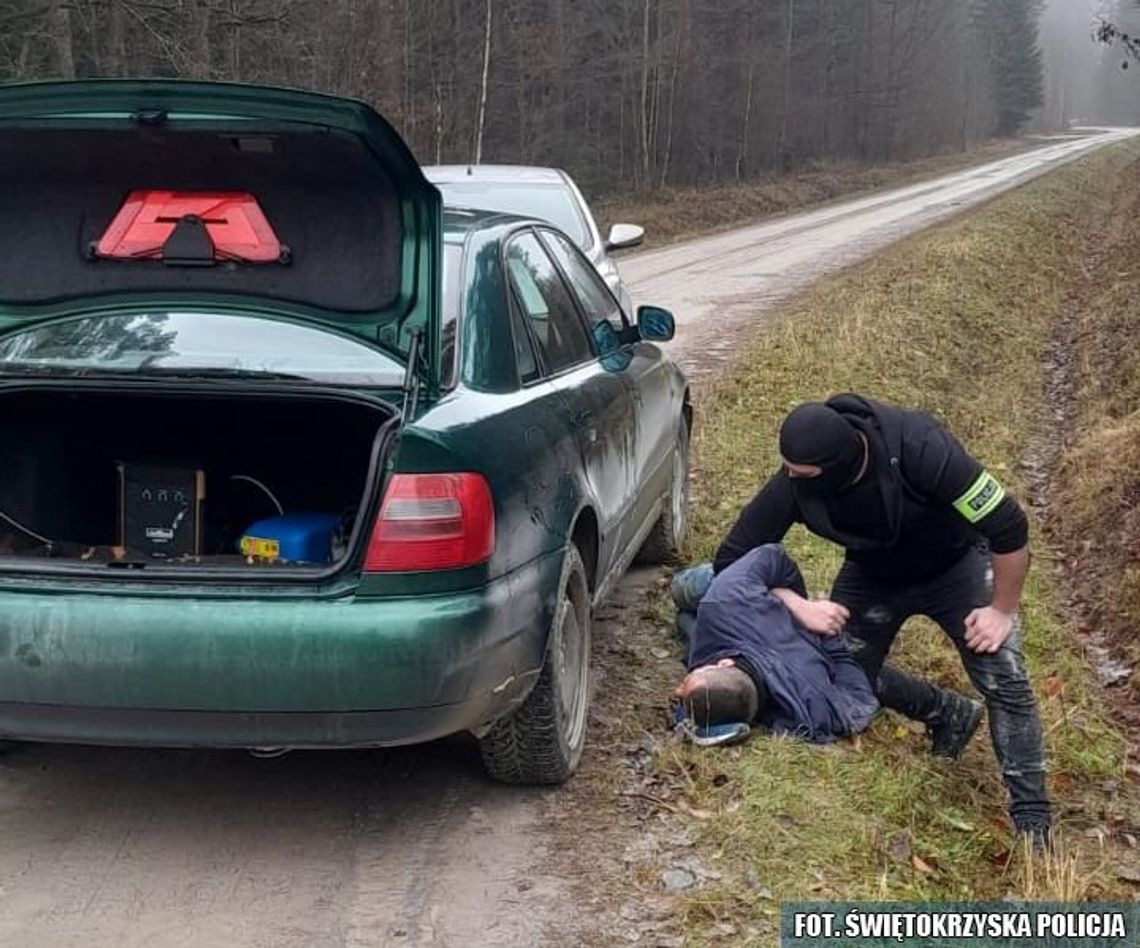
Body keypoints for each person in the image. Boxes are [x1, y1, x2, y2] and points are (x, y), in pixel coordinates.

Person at [711, 394, 1051, 843]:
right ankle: (946, 712)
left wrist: (1002, 610)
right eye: (788, 468)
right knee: (829, 675)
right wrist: (796, 604)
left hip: (957, 566)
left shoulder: (921, 448)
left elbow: (1008, 525)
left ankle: (1032, 821)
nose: (791, 478)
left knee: (1003, 677)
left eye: (802, 473)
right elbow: (731, 561)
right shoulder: (796, 482)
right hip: (873, 576)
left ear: (839, 463)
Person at [672, 543, 878, 744]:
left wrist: (829, 641)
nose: (676, 692)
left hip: (728, 604)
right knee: (684, 604)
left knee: (683, 608)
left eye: (684, 685)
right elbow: (771, 555)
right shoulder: (726, 602)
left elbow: (861, 699)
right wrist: (810, 617)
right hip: (737, 599)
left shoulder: (814, 711)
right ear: (725, 664)